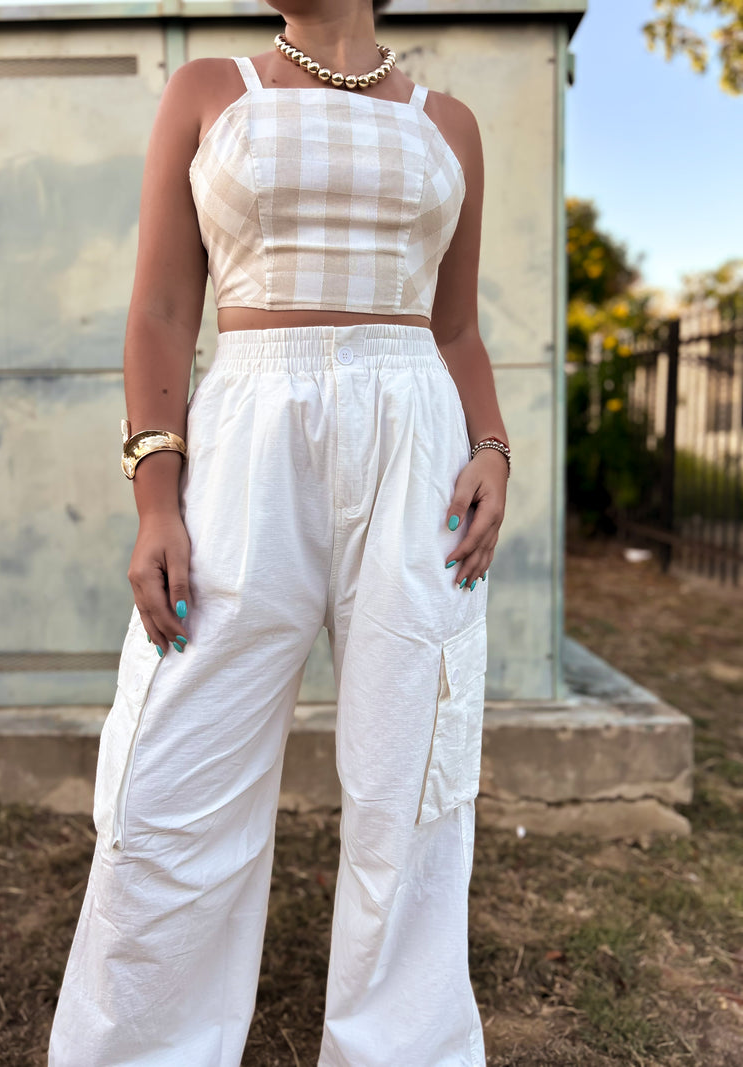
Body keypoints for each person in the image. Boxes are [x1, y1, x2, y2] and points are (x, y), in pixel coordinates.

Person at [48, 1, 510, 1064]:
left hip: (416, 452)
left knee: (414, 780)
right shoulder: (212, 89)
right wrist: (155, 499)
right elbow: (162, 308)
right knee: (171, 772)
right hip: (249, 439)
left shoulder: (450, 121)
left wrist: (490, 446)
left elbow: (455, 327)